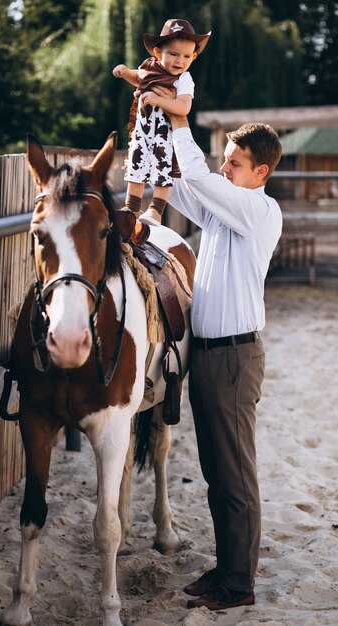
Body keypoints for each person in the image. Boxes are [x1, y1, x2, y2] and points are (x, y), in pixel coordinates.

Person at [161, 107, 283, 610]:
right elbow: (177, 181)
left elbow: (195, 174)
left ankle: (239, 585)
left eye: (234, 163)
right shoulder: (222, 207)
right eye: (225, 159)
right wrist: (156, 128)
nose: (224, 168)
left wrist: (182, 119)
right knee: (216, 471)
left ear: (261, 172)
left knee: (235, 475)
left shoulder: (258, 210)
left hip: (235, 358)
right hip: (209, 359)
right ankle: (226, 568)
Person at [112, 19, 210, 226]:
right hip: (143, 131)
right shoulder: (149, 67)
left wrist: (159, 100)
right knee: (137, 166)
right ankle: (131, 206)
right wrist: (124, 72)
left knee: (163, 168)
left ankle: (156, 209)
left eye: (186, 56)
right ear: (158, 54)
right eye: (173, 54)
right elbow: (139, 77)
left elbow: (184, 107)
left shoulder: (183, 79)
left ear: (193, 57)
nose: (179, 61)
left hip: (166, 135)